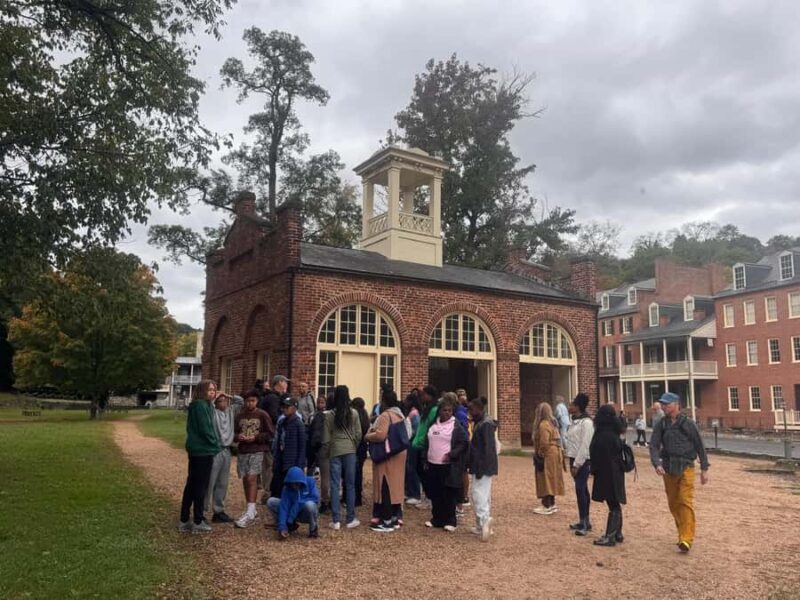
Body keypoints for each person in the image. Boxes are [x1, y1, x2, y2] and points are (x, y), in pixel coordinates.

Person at [649, 391, 710, 554]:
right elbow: (654, 445)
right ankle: (682, 532)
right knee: (674, 504)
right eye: (662, 404)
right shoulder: (661, 424)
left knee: (685, 501)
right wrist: (656, 463)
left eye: (667, 404)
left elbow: (699, 445)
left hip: (686, 466)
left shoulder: (688, 424)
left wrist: (704, 468)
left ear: (676, 405)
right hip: (668, 467)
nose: (663, 406)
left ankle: (686, 538)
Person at [179, 380, 221, 533]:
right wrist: (216, 445)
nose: (212, 392)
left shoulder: (204, 405)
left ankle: (184, 519)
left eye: (214, 390)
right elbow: (206, 429)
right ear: (202, 391)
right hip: (203, 450)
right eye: (209, 390)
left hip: (198, 450)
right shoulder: (201, 406)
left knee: (191, 484)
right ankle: (197, 520)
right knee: (200, 486)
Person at [365, 388, 408, 532]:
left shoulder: (385, 415)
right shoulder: (399, 414)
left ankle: (386, 521)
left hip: (387, 456)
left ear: (384, 401)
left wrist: (368, 435)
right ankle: (395, 518)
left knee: (385, 486)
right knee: (396, 486)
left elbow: (381, 435)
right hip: (398, 454)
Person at [424, 394, 468, 532]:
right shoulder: (433, 424)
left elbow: (464, 442)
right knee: (435, 492)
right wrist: (424, 458)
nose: (447, 413)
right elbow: (427, 441)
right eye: (444, 410)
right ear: (439, 411)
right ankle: (436, 518)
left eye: (449, 410)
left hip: (447, 465)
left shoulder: (456, 426)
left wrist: (452, 454)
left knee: (448, 493)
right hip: (432, 463)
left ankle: (450, 520)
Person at [323, 385, 362, 530]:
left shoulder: (329, 415)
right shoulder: (354, 413)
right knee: (350, 485)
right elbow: (358, 434)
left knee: (334, 485)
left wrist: (327, 453)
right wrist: (353, 447)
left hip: (335, 450)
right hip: (350, 450)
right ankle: (350, 518)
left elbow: (326, 438)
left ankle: (336, 520)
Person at [232, 389, 272, 528]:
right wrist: (238, 437)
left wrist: (256, 437)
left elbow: (270, 433)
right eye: (247, 401)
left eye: (253, 401)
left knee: (252, 478)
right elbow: (234, 432)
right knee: (245, 478)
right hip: (243, 450)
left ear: (257, 401)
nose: (250, 403)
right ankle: (251, 507)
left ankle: (250, 510)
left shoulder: (262, 415)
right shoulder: (239, 416)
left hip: (258, 450)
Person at [589, 403, 627, 547]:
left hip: (607, 472)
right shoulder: (614, 433)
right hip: (615, 471)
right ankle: (617, 532)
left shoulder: (603, 434)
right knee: (615, 501)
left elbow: (598, 454)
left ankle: (610, 536)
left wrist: (594, 469)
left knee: (613, 503)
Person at [205, 392, 243, 523]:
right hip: (215, 449)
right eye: (220, 401)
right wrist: (215, 396)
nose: (223, 403)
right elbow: (207, 404)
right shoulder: (212, 413)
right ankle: (203, 511)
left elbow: (240, 401)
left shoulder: (230, 412)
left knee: (222, 482)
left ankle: (218, 511)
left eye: (225, 401)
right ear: (216, 403)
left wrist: (229, 395)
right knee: (210, 482)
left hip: (227, 450)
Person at [468, 396, 497, 542]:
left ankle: (484, 520)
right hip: (482, 464)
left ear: (479, 409)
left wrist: (481, 467)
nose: (470, 412)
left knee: (477, 493)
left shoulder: (485, 425)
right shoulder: (482, 423)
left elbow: (487, 449)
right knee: (484, 493)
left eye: (472, 409)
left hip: (482, 465)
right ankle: (481, 524)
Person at [565, 393, 594, 535]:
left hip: (582, 459)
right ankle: (583, 520)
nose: (569, 407)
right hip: (573, 457)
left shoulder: (586, 423)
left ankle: (585, 521)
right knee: (581, 490)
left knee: (580, 489)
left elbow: (585, 444)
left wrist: (577, 464)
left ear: (577, 407)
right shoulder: (574, 421)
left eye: (571, 405)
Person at [267, 466, 320, 539]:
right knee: (271, 501)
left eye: (297, 483)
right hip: (291, 513)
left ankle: (313, 529)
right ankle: (287, 526)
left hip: (305, 513)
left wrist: (298, 504)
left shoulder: (310, 482)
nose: (294, 486)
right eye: (292, 483)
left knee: (310, 505)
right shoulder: (286, 489)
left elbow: (315, 498)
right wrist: (282, 526)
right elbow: (284, 507)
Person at [259, 375, 289, 503]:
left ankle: (268, 492)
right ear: (279, 383)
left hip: (267, 437)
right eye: (285, 382)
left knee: (268, 465)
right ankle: (268, 493)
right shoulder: (273, 398)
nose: (287, 385)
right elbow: (274, 417)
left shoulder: (272, 397)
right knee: (270, 466)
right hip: (270, 437)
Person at [271, 396, 306, 499]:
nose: (284, 409)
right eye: (283, 407)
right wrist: (275, 459)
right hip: (280, 461)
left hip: (292, 463)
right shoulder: (282, 423)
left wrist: (299, 465)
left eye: (287, 407)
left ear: (294, 408)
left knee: (291, 490)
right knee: (277, 489)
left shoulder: (299, 424)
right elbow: (278, 442)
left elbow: (302, 446)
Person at [411, 384, 440, 510]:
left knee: (425, 472)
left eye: (424, 394)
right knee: (419, 471)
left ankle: (429, 497)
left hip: (425, 444)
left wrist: (424, 441)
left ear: (430, 396)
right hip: (419, 443)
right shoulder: (427, 408)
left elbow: (431, 426)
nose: (422, 397)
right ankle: (426, 495)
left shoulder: (434, 410)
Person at [533, 402, 565, 515]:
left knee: (545, 477)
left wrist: (540, 454)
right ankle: (552, 503)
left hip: (548, 454)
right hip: (555, 452)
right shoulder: (553, 423)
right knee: (553, 478)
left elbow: (544, 442)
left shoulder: (543, 424)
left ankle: (546, 504)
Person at [308, 394, 330, 512]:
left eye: (323, 402)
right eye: (319, 402)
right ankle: (330, 500)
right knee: (331, 476)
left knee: (324, 476)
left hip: (322, 448)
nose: (320, 404)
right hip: (333, 448)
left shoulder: (318, 416)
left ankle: (325, 501)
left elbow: (314, 434)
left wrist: (314, 448)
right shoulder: (334, 415)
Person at [403, 391, 422, 505]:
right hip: (410, 443)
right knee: (409, 468)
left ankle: (415, 494)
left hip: (412, 444)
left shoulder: (414, 413)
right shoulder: (412, 412)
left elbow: (415, 430)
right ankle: (410, 491)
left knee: (412, 468)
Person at [351, 397, 371, 507]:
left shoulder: (355, 416)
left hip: (355, 447)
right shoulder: (365, 416)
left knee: (353, 473)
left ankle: (354, 497)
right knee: (359, 473)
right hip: (362, 448)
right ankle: (358, 497)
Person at [454, 388, 471, 510]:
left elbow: (464, 429)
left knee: (463, 471)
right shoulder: (463, 411)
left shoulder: (461, 412)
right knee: (463, 471)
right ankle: (463, 496)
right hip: (465, 443)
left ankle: (464, 496)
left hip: (463, 443)